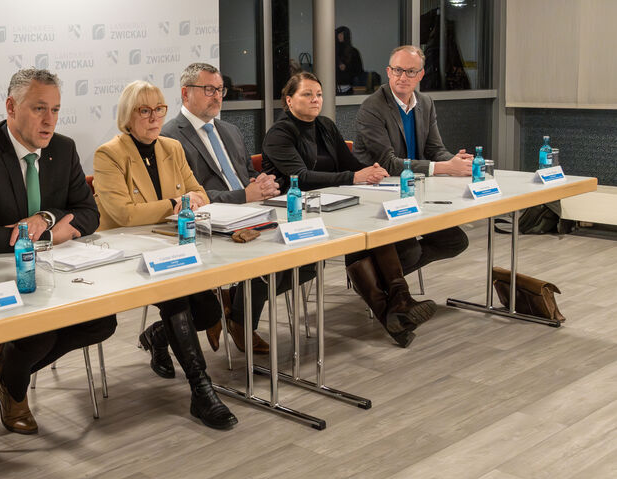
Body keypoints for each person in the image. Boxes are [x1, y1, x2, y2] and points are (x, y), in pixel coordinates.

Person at [0, 69, 116, 435]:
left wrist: (45, 219)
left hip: (50, 268)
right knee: (40, 332)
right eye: (39, 108)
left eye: (56, 110)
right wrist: (48, 235)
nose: (49, 121)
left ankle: (2, 366)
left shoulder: (63, 148)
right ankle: (15, 389)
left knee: (102, 321)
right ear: (11, 107)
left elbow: (89, 212)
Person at [92, 80, 237, 430]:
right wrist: (175, 204)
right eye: (145, 111)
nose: (155, 118)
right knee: (176, 301)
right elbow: (124, 214)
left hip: (173, 244)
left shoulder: (171, 147)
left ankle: (157, 336)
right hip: (127, 253)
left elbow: (200, 193)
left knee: (207, 310)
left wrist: (177, 204)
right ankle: (201, 390)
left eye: (159, 110)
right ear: (129, 115)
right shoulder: (108, 154)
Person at [262, 73, 436, 347]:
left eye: (318, 94)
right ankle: (397, 304)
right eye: (307, 94)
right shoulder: (279, 133)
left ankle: (397, 306)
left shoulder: (326, 126)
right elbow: (301, 177)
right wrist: (354, 177)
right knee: (368, 234)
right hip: (297, 213)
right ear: (289, 100)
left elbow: (349, 163)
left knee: (375, 227)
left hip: (334, 204)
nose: (315, 100)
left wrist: (371, 171)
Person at [161, 62, 300, 356]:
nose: (217, 96)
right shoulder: (170, 136)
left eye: (220, 89)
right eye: (208, 89)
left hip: (252, 214)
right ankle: (232, 315)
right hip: (209, 227)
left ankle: (235, 312)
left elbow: (246, 173)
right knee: (268, 257)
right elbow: (186, 196)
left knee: (307, 257)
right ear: (186, 93)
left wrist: (260, 184)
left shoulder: (230, 130)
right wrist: (244, 195)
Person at [353, 45, 470, 274]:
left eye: (410, 72)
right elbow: (389, 163)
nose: (403, 77)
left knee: (456, 241)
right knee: (409, 252)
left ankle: (378, 279)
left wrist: (458, 163)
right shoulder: (372, 107)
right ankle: (381, 285)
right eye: (397, 70)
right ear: (388, 72)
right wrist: (445, 167)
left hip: (413, 192)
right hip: (377, 195)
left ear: (421, 75)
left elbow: (435, 149)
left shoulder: (425, 103)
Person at [335, 26, 364, 95]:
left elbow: (358, 70)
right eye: (338, 34)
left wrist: (346, 68)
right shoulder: (332, 52)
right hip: (334, 86)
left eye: (342, 34)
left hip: (349, 86)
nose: (339, 36)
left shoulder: (353, 52)